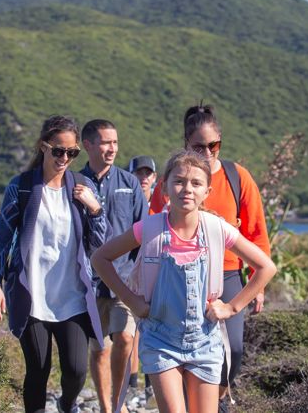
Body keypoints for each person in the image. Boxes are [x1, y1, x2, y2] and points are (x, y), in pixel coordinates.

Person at [91, 149, 277, 413]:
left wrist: (232, 308)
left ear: (207, 192)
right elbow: (100, 258)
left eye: (196, 183)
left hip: (205, 338)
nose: (187, 189)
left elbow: (266, 267)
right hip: (160, 339)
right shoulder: (150, 228)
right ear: (164, 187)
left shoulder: (217, 229)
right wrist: (132, 301)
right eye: (178, 181)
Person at [149, 104, 271, 410]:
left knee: (236, 349)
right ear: (187, 144)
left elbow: (256, 229)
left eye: (214, 145)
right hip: (176, 273)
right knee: (180, 344)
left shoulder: (237, 177)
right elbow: (152, 227)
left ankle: (215, 400)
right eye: (200, 146)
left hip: (227, 273)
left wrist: (259, 286)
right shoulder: (174, 180)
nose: (208, 152)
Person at [0, 115, 109, 413]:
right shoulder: (22, 188)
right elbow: (2, 239)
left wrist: (95, 210)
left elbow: (99, 243)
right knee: (38, 370)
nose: (64, 158)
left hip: (73, 298)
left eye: (72, 153)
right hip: (32, 297)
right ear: (43, 147)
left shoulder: (82, 187)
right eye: (58, 151)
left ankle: (67, 405)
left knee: (77, 370)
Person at [80, 119, 148, 413]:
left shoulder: (129, 182)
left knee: (124, 338)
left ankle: (118, 405)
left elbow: (144, 231)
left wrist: (141, 275)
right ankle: (107, 408)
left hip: (124, 279)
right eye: (106, 142)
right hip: (89, 283)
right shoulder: (75, 182)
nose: (112, 148)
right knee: (98, 348)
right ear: (88, 145)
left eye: (115, 143)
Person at [128, 155, 158, 405]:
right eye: (139, 173)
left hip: (156, 274)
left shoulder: (161, 206)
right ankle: (131, 383)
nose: (144, 177)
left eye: (148, 173)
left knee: (151, 328)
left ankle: (151, 385)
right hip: (131, 272)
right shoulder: (126, 202)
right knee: (132, 331)